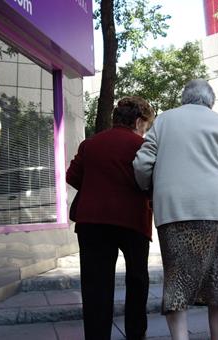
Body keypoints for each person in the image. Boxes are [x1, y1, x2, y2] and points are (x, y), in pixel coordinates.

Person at [132, 79, 218, 340]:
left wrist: (146, 186)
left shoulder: (164, 121)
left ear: (184, 99)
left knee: (177, 284)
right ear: (210, 102)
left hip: (174, 213)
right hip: (217, 214)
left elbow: (141, 165)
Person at [66, 96, 155, 340]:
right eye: (145, 126)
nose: (144, 131)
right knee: (137, 280)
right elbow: (151, 180)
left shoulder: (90, 144)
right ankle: (136, 334)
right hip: (132, 221)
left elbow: (72, 176)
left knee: (96, 286)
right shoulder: (142, 146)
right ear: (138, 121)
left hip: (92, 222)